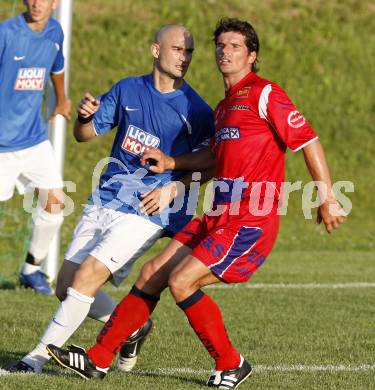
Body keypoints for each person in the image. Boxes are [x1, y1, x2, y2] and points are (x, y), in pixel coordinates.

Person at [46, 18, 346, 388]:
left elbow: (308, 140)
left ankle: (231, 363)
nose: (226, 51)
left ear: (252, 56)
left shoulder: (265, 94)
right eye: (221, 45)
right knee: (151, 273)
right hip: (216, 215)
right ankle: (98, 359)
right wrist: (173, 164)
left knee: (182, 281)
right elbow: (213, 160)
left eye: (236, 46)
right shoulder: (222, 109)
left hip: (249, 221)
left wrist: (328, 197)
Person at [7, 23, 214, 374]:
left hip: (148, 209)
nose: (185, 57)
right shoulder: (128, 89)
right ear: (155, 50)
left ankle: (36, 359)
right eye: (178, 49)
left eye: (189, 51)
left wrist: (173, 189)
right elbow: (84, 135)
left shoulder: (196, 109)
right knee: (65, 285)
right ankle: (133, 327)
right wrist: (85, 118)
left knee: (87, 276)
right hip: (106, 199)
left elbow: (211, 162)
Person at [0, 1, 71, 295]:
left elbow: (57, 65)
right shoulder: (6, 33)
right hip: (2, 144)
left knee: (55, 205)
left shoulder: (55, 31)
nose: (37, 3)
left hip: (33, 139)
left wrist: (62, 98)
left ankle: (31, 270)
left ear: (55, 3)